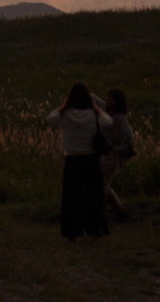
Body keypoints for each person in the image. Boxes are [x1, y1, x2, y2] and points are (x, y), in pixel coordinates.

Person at [46, 83, 112, 241]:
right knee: (93, 196)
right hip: (91, 159)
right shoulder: (94, 114)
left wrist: (63, 105)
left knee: (72, 197)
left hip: (73, 159)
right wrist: (95, 106)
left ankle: (72, 231)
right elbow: (108, 120)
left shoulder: (65, 114)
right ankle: (95, 229)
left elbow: (50, 118)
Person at [92, 88, 134, 221]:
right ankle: (120, 211)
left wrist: (117, 148)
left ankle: (102, 214)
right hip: (109, 153)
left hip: (112, 155)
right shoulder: (109, 111)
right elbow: (95, 99)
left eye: (109, 98)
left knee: (102, 184)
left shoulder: (118, 116)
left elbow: (129, 134)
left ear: (115, 101)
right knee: (103, 182)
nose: (106, 99)